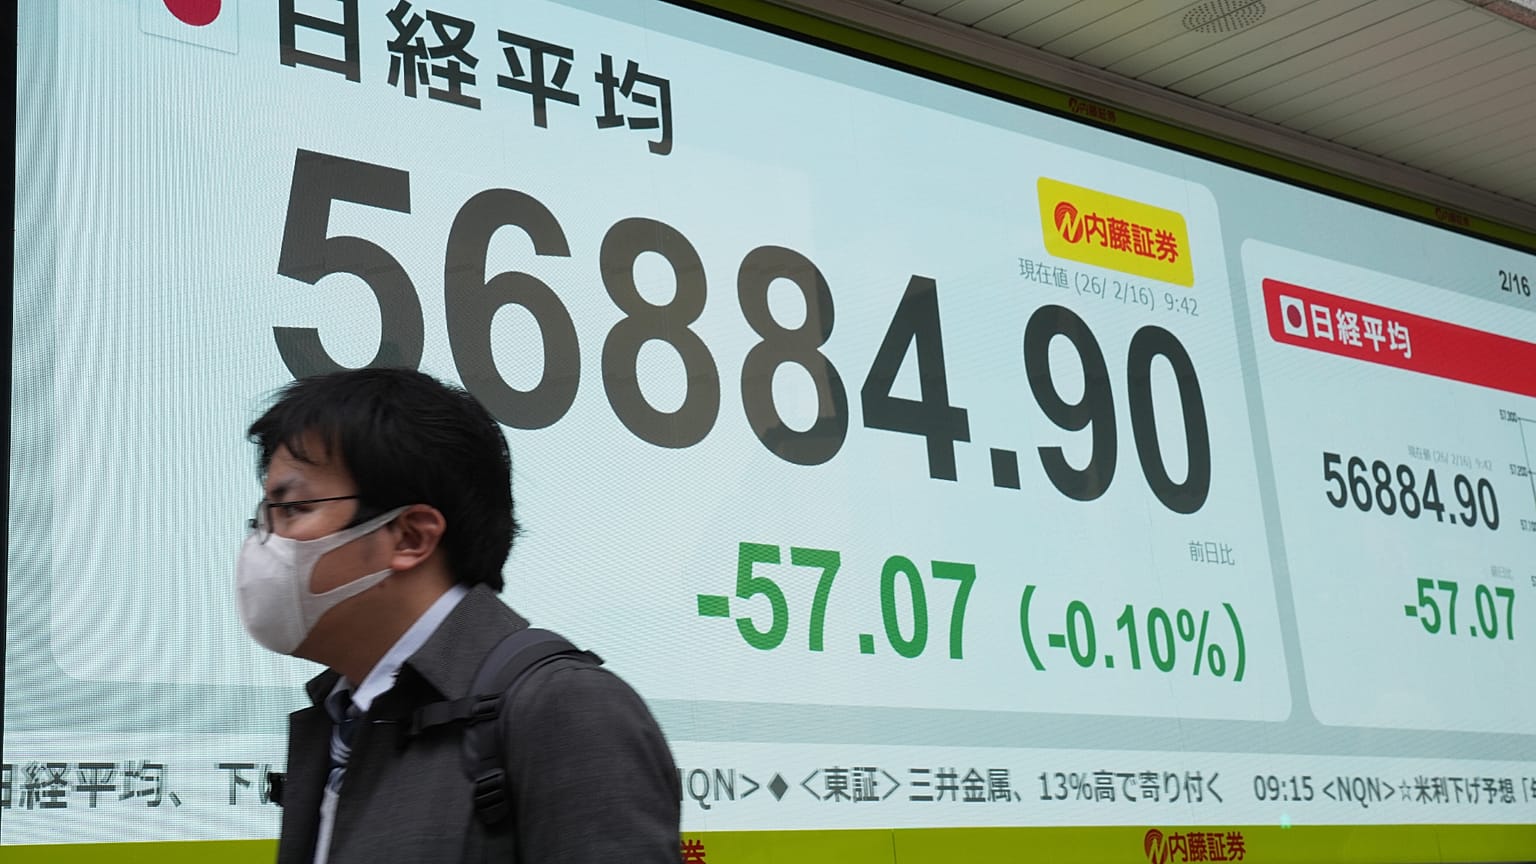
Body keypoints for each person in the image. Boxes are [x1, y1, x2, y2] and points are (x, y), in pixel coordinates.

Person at [237, 367, 681, 863]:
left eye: (293, 509)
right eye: (263, 517)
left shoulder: (564, 706)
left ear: (411, 537)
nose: (264, 542)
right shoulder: (342, 717)